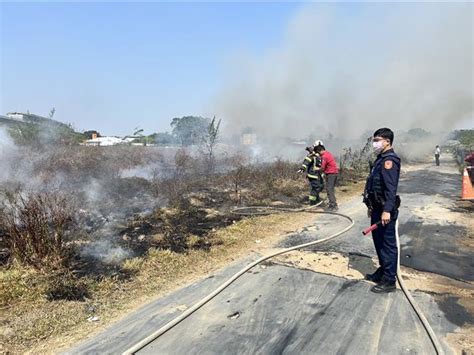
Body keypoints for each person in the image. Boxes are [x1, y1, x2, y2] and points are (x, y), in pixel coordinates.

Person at [363, 128, 401, 293]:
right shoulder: (380, 159)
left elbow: (391, 189)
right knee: (378, 241)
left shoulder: (389, 161)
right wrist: (371, 206)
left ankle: (389, 279)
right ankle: (383, 270)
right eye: (374, 140)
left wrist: (387, 211)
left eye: (378, 140)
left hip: (385, 209)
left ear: (387, 141)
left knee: (387, 244)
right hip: (377, 207)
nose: (375, 143)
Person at [313, 140, 339, 211]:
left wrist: (316, 170)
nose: (318, 154)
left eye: (317, 152)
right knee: (330, 189)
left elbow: (322, 168)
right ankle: (332, 204)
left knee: (329, 189)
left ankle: (333, 205)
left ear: (319, 150)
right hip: (333, 173)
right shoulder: (328, 153)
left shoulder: (324, 156)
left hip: (331, 174)